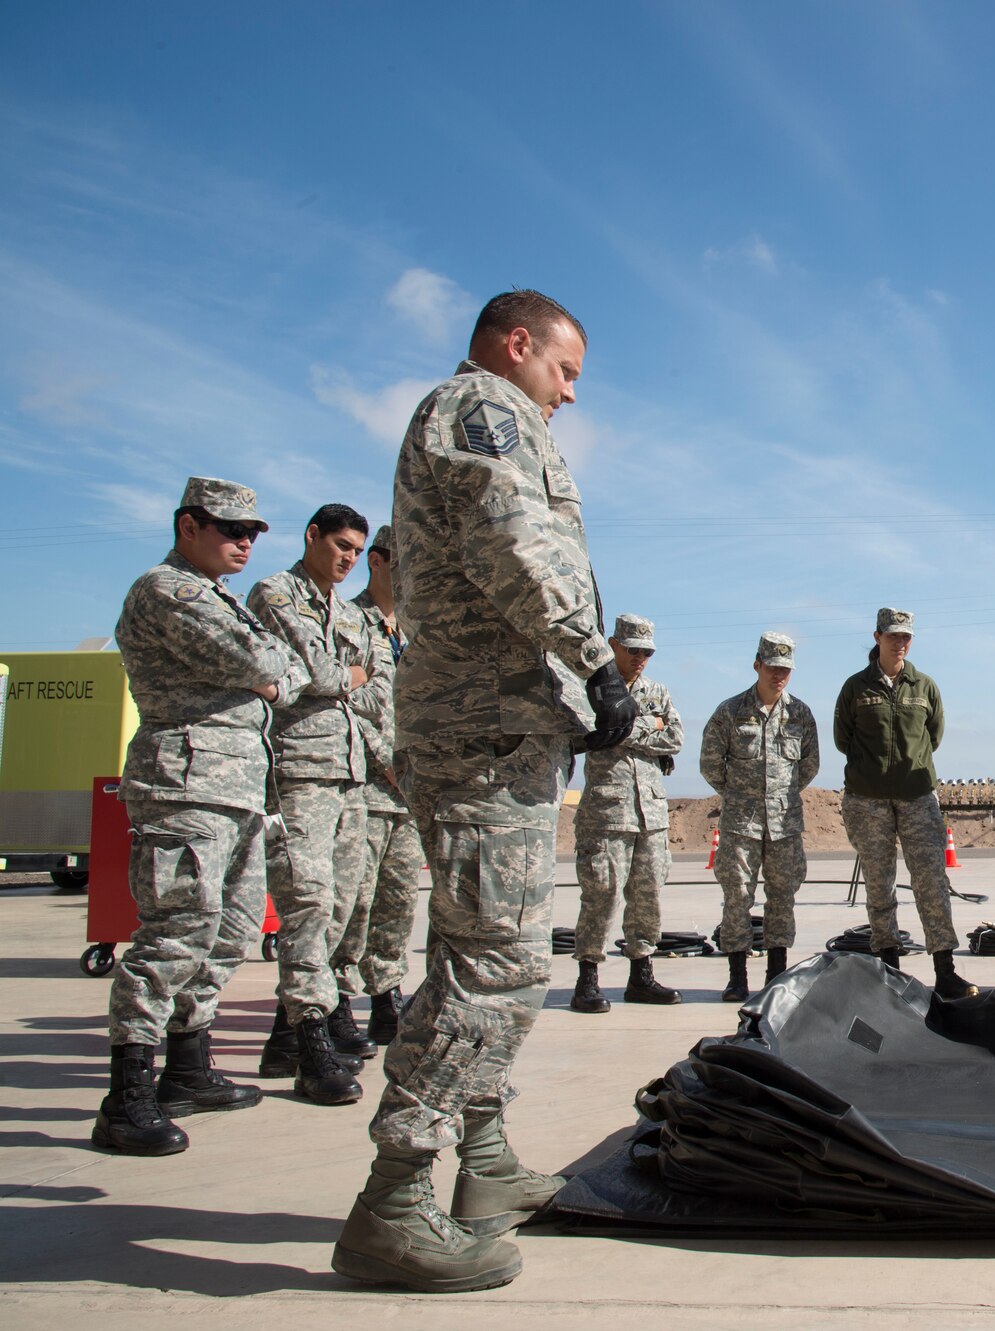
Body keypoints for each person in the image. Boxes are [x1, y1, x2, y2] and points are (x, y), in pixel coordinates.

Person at [333, 289, 637, 1293]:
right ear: (519, 346)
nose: (570, 394)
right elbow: (516, 541)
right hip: (481, 726)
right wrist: (594, 660)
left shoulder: (485, 413)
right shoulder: (484, 408)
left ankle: (485, 1163)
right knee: (496, 968)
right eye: (565, 371)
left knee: (474, 950)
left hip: (493, 721)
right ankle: (394, 1196)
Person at [96, 477, 307, 1156]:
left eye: (252, 533)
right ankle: (127, 1094)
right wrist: (268, 671)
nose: (244, 542)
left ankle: (188, 1066)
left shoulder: (218, 598)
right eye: (231, 529)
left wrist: (272, 672)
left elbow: (286, 672)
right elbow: (261, 659)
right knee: (175, 932)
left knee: (232, 928)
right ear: (189, 524)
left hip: (238, 789)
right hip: (184, 784)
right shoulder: (169, 590)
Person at [248, 503, 387, 1106]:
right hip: (299, 769)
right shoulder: (276, 593)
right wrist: (344, 677)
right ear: (312, 536)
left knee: (343, 905)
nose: (348, 558)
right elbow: (323, 673)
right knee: (306, 901)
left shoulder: (348, 613)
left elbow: (376, 684)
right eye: (340, 545)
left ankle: (283, 1036)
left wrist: (344, 677)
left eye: (356, 550)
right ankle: (309, 1044)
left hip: (350, 770)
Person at [832, 608, 976, 1000]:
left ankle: (945, 970)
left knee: (931, 883)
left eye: (906, 636)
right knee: (879, 887)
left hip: (917, 798)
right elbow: (843, 739)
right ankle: (889, 971)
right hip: (868, 800)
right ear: (877, 636)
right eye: (893, 635)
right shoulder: (855, 688)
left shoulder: (924, 686)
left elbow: (934, 735)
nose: (901, 642)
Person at [330, 523, 425, 1046]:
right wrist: (388, 759)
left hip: (406, 795)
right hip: (361, 785)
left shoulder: (410, 632)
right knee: (351, 900)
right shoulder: (348, 621)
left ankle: (386, 996)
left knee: (397, 901)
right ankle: (338, 1001)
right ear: (380, 561)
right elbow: (344, 701)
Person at [569, 614, 684, 1012]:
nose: (640, 658)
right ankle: (588, 978)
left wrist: (625, 726)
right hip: (607, 811)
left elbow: (676, 737)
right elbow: (589, 730)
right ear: (614, 644)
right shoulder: (593, 689)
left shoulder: (657, 690)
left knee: (648, 894)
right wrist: (645, 725)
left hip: (651, 813)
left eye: (647, 651)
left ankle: (641, 975)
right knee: (601, 894)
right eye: (633, 649)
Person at [699, 632, 820, 1002]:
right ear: (757, 665)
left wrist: (778, 797)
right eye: (772, 667)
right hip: (741, 822)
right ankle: (737, 977)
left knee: (782, 896)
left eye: (785, 669)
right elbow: (710, 765)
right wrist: (741, 794)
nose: (779, 675)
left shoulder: (799, 713)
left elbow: (809, 766)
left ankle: (776, 975)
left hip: (784, 824)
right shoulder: (730, 712)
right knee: (737, 897)